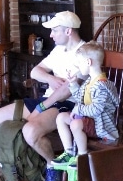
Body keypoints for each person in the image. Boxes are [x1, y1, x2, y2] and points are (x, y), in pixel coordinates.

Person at [0, 10, 85, 181]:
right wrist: (51, 79)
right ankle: (25, 159)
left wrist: (41, 107)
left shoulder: (84, 53)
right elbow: (35, 72)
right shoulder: (59, 50)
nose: (51, 35)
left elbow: (65, 92)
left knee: (30, 130)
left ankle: (51, 166)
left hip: (68, 105)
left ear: (69, 31)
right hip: (46, 99)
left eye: (55, 30)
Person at [49, 41, 119, 173]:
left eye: (79, 63)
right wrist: (74, 84)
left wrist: (78, 109)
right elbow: (79, 98)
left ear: (88, 62)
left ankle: (82, 157)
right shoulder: (89, 81)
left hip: (100, 125)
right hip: (87, 120)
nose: (77, 66)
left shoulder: (102, 85)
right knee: (61, 118)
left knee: (75, 124)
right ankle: (69, 152)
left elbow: (96, 109)